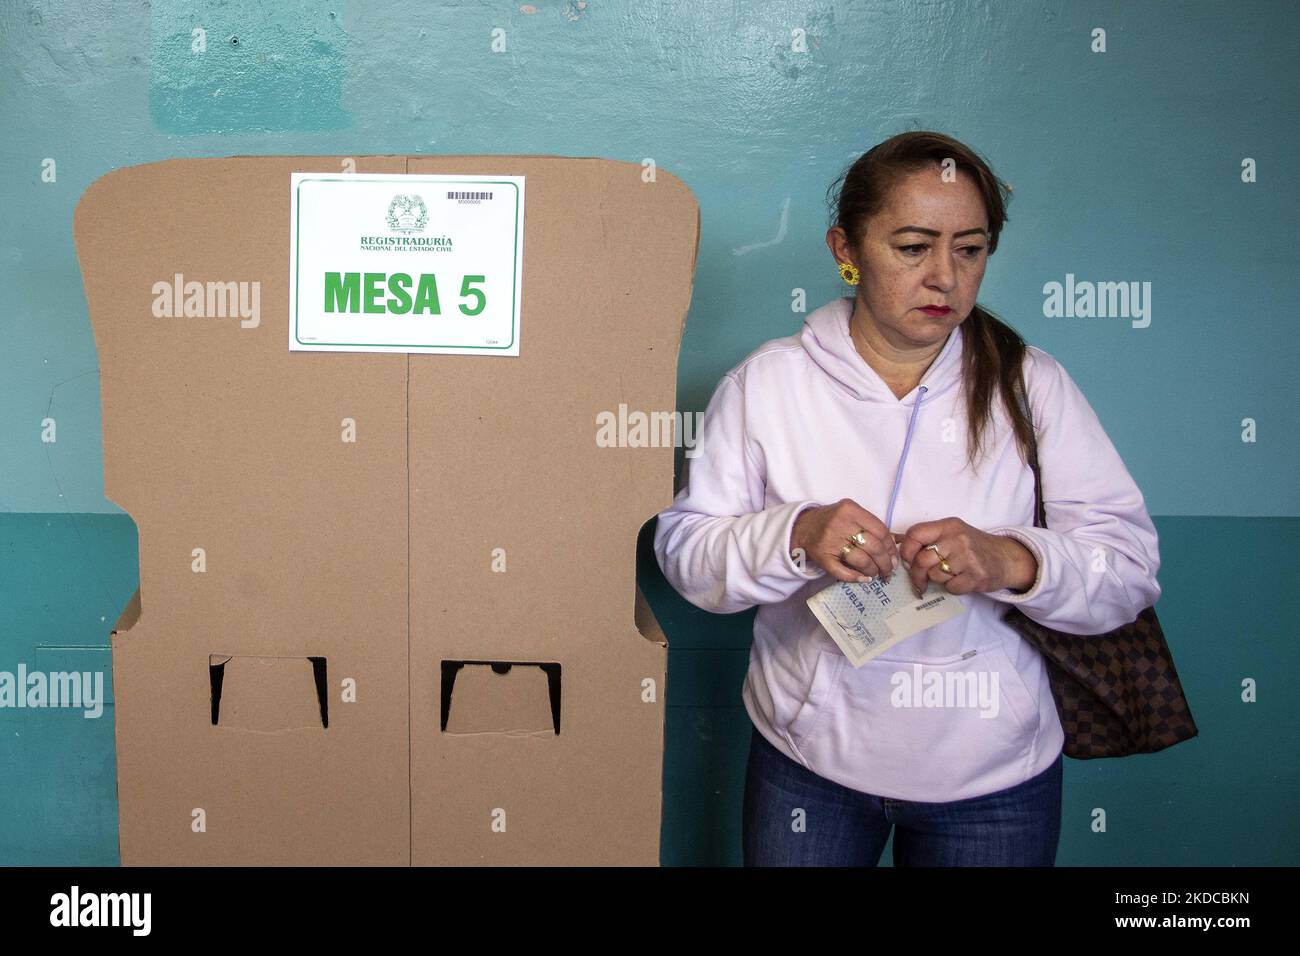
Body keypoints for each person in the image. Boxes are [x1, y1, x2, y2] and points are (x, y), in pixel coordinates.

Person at [653, 131, 1161, 867]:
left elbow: (1130, 568)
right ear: (845, 249)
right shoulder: (767, 385)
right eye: (913, 247)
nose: (945, 278)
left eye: (970, 249)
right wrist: (795, 535)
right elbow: (686, 555)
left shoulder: (1031, 385)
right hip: (810, 763)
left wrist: (1012, 559)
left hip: (993, 777)